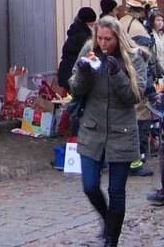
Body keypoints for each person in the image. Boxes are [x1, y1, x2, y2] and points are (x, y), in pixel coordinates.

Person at [69, 16, 146, 247]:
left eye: (108, 39)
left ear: (118, 37)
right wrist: (83, 71)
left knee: (116, 191)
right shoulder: (89, 50)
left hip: (122, 130)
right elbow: (74, 88)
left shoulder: (133, 56)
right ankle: (107, 220)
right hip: (92, 129)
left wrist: (117, 74)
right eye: (100, 38)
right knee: (90, 185)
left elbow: (135, 96)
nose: (103, 43)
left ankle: (112, 239)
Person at [119, 0, 157, 176]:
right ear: (146, 8)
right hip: (136, 82)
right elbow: (144, 64)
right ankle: (136, 162)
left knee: (124, 122)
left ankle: (124, 161)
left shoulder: (121, 22)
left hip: (120, 80)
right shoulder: (139, 30)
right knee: (141, 121)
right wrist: (150, 90)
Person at [57, 7, 96, 92]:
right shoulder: (84, 37)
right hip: (72, 74)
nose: (93, 25)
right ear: (88, 22)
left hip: (65, 71)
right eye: (93, 23)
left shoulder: (75, 30)